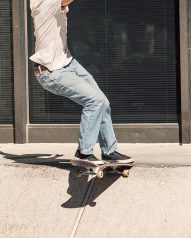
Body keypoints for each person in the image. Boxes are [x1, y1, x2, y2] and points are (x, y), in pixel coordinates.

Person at [30, 0, 133, 165]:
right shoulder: (44, 2)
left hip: (68, 64)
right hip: (51, 72)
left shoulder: (52, 4)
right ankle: (83, 153)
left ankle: (109, 151)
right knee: (95, 101)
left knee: (103, 103)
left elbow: (63, 4)